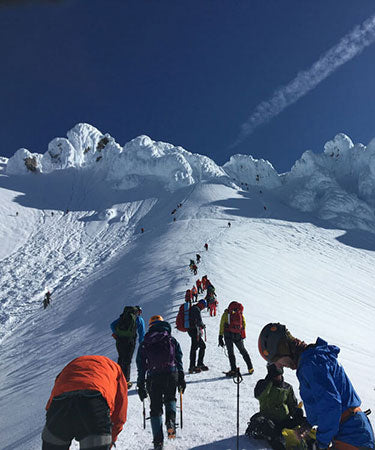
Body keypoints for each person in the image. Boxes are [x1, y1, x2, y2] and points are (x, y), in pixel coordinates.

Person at [258, 323, 375, 450]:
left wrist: (321, 444)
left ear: (283, 348)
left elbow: (331, 406)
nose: (279, 366)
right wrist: (309, 424)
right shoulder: (312, 358)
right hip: (352, 430)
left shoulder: (310, 364)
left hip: (352, 435)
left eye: (277, 360)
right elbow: (322, 401)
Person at [42, 355, 128, 450]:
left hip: (60, 404)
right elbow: (120, 414)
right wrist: (109, 440)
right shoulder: (115, 369)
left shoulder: (71, 366)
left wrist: (52, 420)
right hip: (94, 405)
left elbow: (53, 397)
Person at [136, 315, 186, 450]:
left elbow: (141, 365)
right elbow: (178, 359)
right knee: (170, 398)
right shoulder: (171, 339)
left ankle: (158, 441)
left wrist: (140, 384)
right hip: (171, 373)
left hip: (153, 376)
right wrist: (181, 378)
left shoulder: (145, 342)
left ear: (150, 326)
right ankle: (170, 421)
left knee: (155, 407)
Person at [246, 363, 310, 450]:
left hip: (284, 420)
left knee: (305, 422)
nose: (278, 378)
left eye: (279, 375)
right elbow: (259, 395)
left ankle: (312, 442)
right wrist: (268, 382)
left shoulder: (287, 387)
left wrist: (297, 412)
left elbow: (292, 404)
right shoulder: (263, 385)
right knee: (271, 432)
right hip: (269, 421)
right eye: (275, 376)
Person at [110, 306, 145, 388]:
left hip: (119, 341)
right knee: (127, 360)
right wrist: (142, 344)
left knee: (121, 358)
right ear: (138, 312)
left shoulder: (123, 317)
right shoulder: (139, 320)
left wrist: (117, 333)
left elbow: (112, 325)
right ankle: (126, 381)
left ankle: (117, 378)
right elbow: (141, 333)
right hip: (130, 341)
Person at [218, 301, 254, 376]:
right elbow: (243, 324)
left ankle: (234, 370)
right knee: (243, 351)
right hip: (237, 335)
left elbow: (222, 325)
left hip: (228, 334)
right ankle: (250, 368)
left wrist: (220, 336)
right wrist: (241, 334)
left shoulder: (226, 314)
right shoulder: (240, 314)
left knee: (231, 353)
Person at [188, 299, 208, 373]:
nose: (203, 308)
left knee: (195, 347)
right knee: (200, 346)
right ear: (201, 304)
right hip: (194, 331)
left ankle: (193, 365)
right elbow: (199, 321)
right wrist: (202, 325)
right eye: (204, 306)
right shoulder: (196, 309)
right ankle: (195, 365)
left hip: (192, 330)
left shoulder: (194, 308)